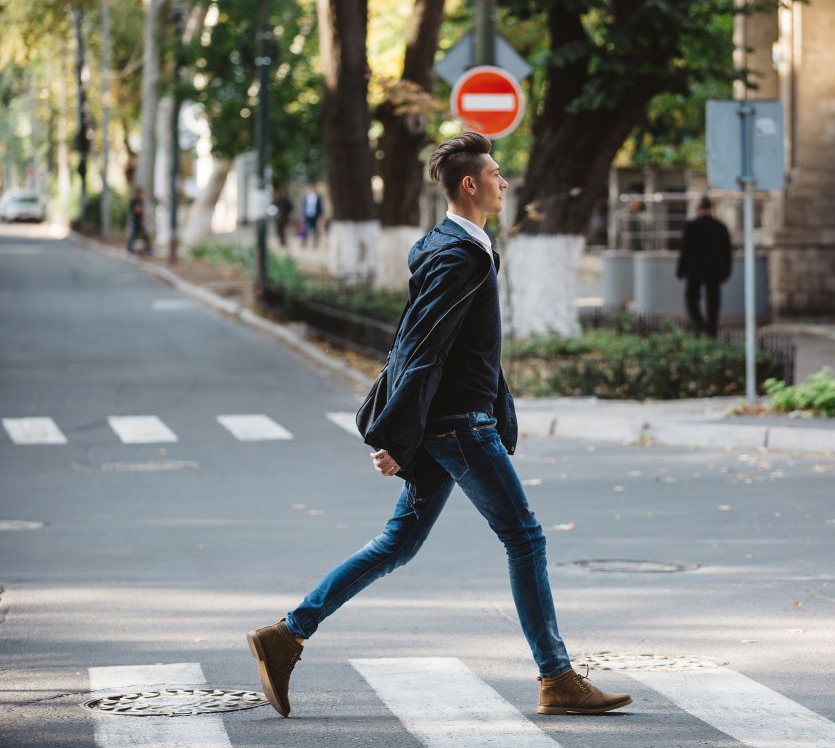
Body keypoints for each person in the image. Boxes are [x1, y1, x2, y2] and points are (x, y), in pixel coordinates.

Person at [246, 133, 632, 719]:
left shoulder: (454, 245)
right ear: (470, 184)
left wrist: (402, 433)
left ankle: (287, 634)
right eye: (497, 174)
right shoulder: (458, 256)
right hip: (457, 425)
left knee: (397, 543)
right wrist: (395, 436)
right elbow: (420, 348)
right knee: (524, 539)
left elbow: (425, 344)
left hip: (447, 422)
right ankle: (556, 677)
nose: (505, 183)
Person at [676, 196, 732, 337]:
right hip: (714, 270)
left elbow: (685, 251)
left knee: (692, 298)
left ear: (698, 209)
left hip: (694, 270)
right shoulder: (720, 227)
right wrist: (726, 272)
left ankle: (698, 322)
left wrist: (680, 271)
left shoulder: (691, 226)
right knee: (713, 300)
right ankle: (711, 327)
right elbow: (727, 252)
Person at [126, 187, 151, 255]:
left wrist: (143, 213)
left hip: (140, 221)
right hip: (135, 220)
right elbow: (136, 210)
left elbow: (141, 211)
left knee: (144, 235)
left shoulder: (141, 201)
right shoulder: (134, 201)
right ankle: (130, 249)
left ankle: (148, 249)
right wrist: (141, 211)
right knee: (133, 235)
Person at [300, 182, 323, 247]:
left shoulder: (318, 197)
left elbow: (320, 207)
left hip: (315, 215)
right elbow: (303, 205)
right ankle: (304, 242)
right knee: (305, 229)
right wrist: (302, 213)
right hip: (307, 215)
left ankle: (315, 243)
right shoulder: (306, 196)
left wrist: (320, 215)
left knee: (315, 229)